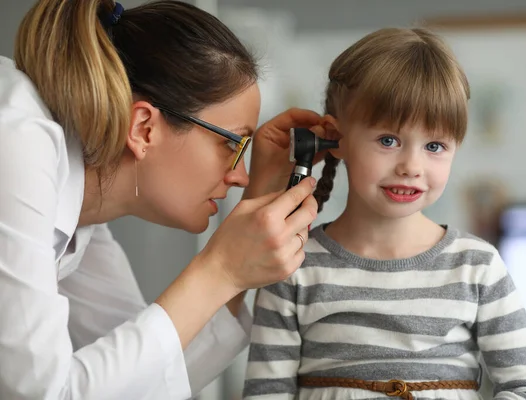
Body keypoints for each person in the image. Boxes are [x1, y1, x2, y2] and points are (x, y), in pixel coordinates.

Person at [0, 1, 321, 399]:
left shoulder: (81, 209)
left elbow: (143, 376)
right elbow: (42, 393)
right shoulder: (16, 141)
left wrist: (252, 217)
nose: (240, 177)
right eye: (232, 144)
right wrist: (219, 269)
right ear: (144, 128)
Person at [243, 28, 526, 400]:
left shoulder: (477, 266)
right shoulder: (292, 265)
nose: (411, 165)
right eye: (388, 140)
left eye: (435, 145)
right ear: (334, 138)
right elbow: (265, 393)